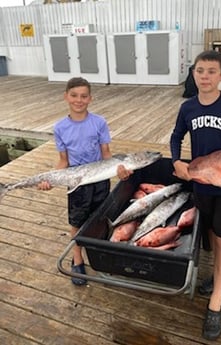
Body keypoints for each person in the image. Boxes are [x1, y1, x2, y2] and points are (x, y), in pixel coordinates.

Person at [170, 50, 221, 340]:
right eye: (200, 71)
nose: (204, 76)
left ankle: (216, 301)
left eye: (211, 71)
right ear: (194, 74)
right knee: (209, 233)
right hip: (202, 183)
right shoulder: (188, 108)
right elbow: (176, 137)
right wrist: (177, 162)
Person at [38, 77, 132, 286]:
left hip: (99, 177)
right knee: (77, 221)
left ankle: (101, 256)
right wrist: (50, 179)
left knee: (100, 217)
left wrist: (118, 170)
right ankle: (77, 257)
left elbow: (106, 153)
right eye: (74, 96)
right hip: (76, 180)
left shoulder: (99, 122)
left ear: (90, 98)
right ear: (66, 97)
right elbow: (64, 160)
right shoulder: (60, 127)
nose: (78, 100)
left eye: (83, 96)